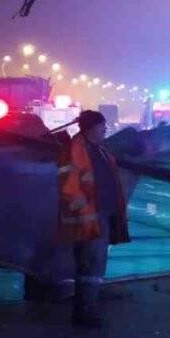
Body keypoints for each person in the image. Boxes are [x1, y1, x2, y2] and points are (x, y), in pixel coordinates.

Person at [58, 110, 130, 326]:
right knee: (91, 265)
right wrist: (84, 213)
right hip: (89, 218)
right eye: (102, 125)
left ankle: (86, 309)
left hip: (101, 215)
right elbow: (69, 186)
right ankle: (85, 312)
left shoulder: (99, 150)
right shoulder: (76, 149)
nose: (105, 129)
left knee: (92, 265)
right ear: (91, 128)